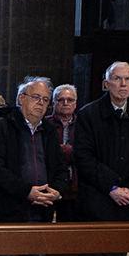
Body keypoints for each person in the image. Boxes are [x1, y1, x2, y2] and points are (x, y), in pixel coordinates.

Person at [74, 61, 129, 240]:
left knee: (119, 254)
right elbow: (83, 157)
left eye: (128, 79)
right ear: (107, 84)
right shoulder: (88, 114)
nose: (123, 84)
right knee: (92, 252)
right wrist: (112, 187)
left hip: (128, 201)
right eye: (117, 79)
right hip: (96, 200)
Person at [0, 77, 68, 228]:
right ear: (21, 98)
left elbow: (61, 168)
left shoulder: (50, 131)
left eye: (45, 99)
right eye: (36, 97)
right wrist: (26, 191)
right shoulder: (1, 127)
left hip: (43, 211)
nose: (40, 103)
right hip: (8, 212)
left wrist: (57, 191)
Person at [44, 84, 78, 222]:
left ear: (75, 103)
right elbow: (46, 152)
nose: (65, 103)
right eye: (61, 100)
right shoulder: (44, 124)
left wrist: (59, 149)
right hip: (50, 184)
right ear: (53, 103)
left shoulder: (83, 124)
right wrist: (71, 151)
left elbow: (83, 153)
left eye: (70, 100)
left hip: (76, 183)